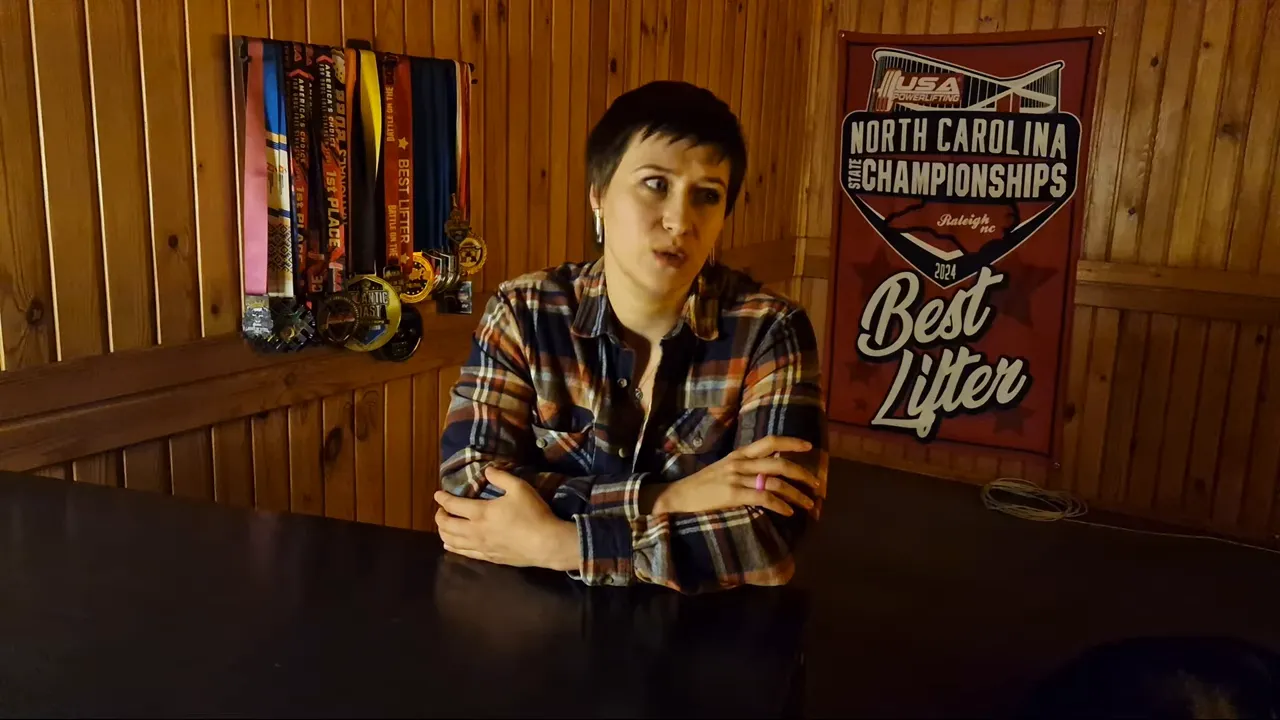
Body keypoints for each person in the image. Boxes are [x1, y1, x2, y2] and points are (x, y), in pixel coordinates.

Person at [434, 80, 828, 594]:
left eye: (707, 196)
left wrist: (562, 543)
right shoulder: (525, 311)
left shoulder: (770, 329)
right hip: (534, 632)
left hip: (706, 646)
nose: (679, 220)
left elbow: (769, 530)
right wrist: (668, 498)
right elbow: (470, 485)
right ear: (598, 195)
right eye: (655, 184)